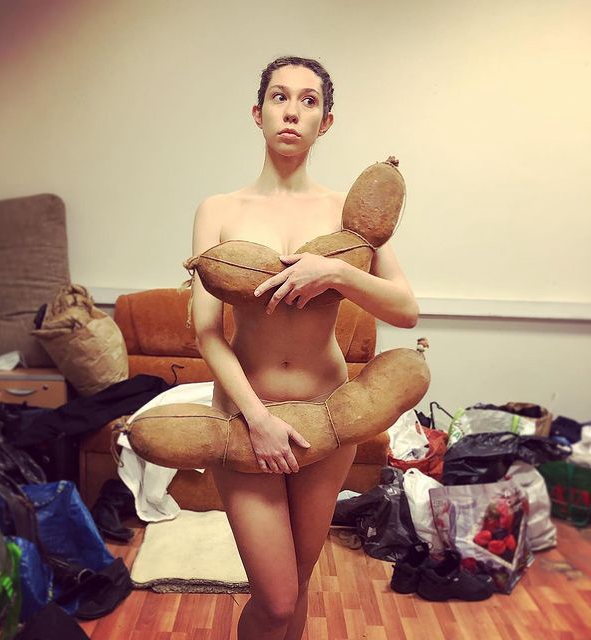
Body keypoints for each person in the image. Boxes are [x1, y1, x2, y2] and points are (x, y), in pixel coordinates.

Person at [190, 55, 419, 640]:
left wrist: (337, 272)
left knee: (298, 582)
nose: (292, 111)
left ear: (326, 122)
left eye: (309, 100)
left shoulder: (349, 216)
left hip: (328, 416)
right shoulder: (219, 210)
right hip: (246, 419)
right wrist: (258, 419)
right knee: (275, 598)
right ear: (258, 112)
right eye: (280, 97)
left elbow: (405, 308)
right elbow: (207, 331)